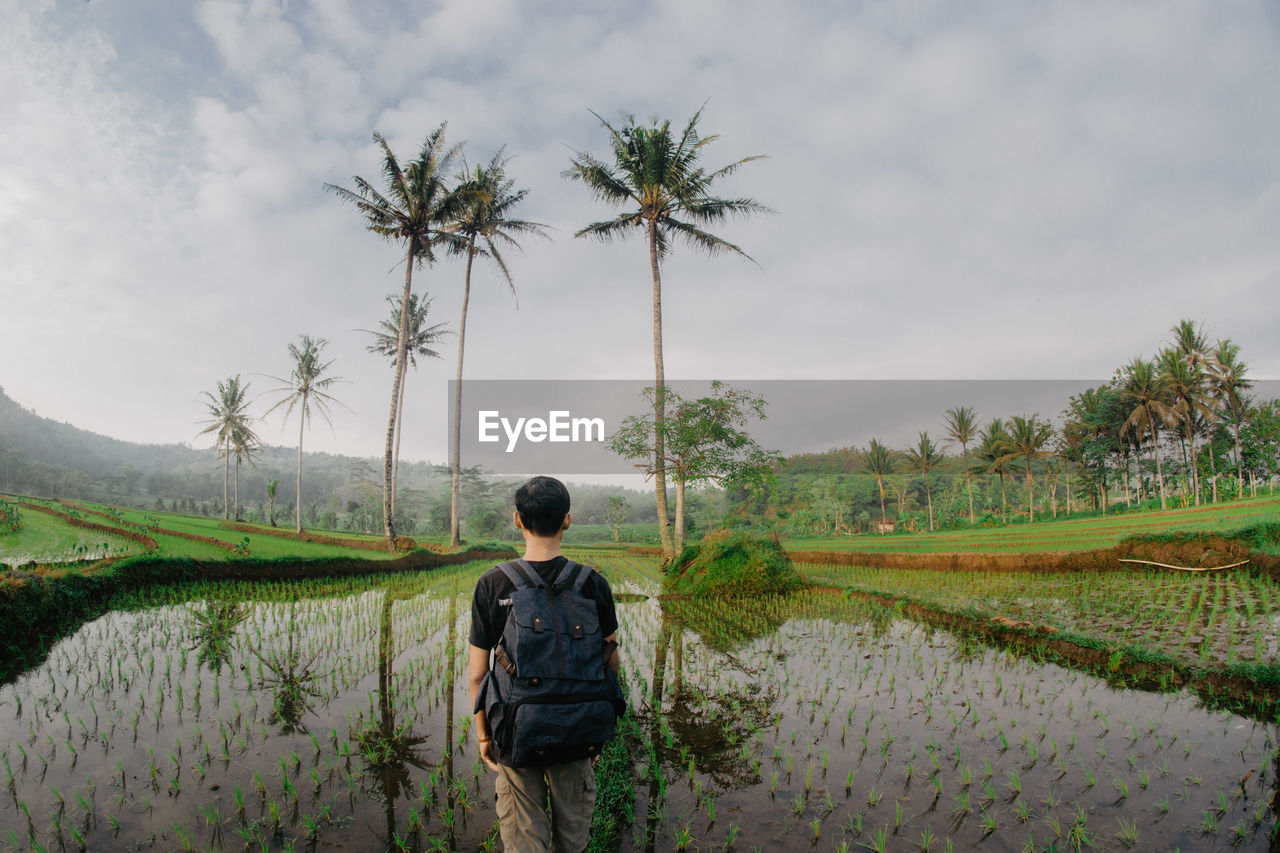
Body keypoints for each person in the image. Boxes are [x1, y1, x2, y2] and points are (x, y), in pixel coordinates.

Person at [468, 475, 620, 852]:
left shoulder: (493, 584)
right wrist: (595, 731)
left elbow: (476, 675)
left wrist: (485, 736)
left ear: (517, 520)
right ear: (567, 520)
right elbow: (609, 663)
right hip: (577, 730)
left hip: (516, 732)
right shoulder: (593, 583)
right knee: (573, 837)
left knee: (524, 839)